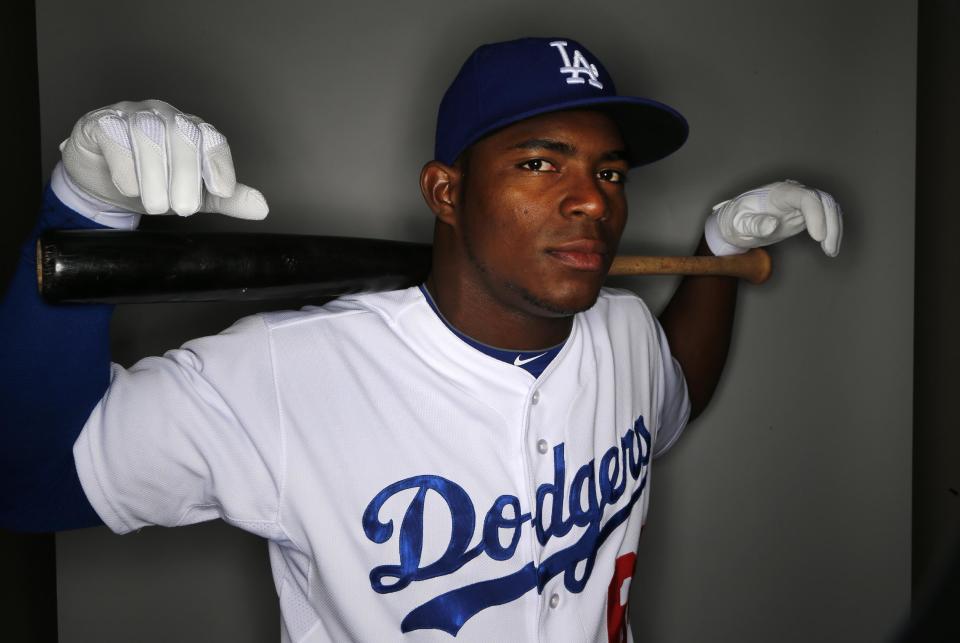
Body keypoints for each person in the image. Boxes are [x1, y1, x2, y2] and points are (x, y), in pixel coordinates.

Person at [0, 37, 842, 642]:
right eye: (542, 163)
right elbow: (31, 483)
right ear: (446, 191)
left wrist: (714, 258)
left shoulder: (621, 326)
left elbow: (678, 389)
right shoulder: (285, 374)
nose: (595, 200)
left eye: (609, 171)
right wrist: (85, 213)